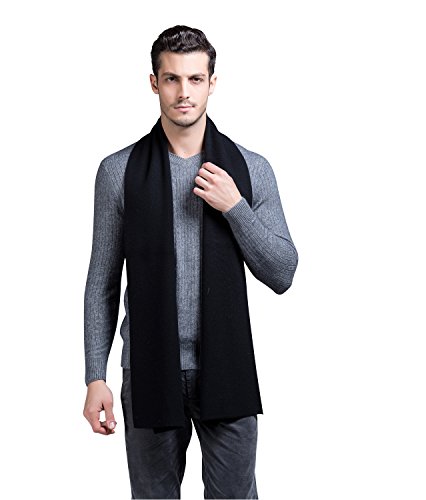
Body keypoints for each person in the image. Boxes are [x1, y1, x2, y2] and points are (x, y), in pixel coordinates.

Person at [83, 25, 298, 499]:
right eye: (173, 79)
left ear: (212, 83)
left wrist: (235, 207)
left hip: (227, 367)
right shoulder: (118, 171)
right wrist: (95, 376)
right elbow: (102, 280)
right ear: (154, 83)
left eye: (196, 79)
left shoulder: (250, 168)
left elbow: (282, 272)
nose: (184, 92)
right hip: (148, 370)